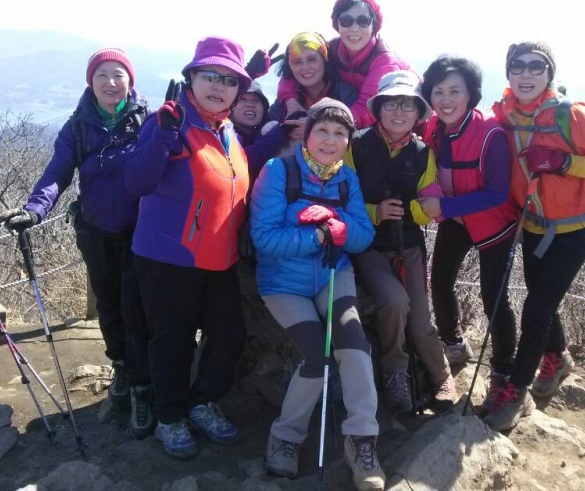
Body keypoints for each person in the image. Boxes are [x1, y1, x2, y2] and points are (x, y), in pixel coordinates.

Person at [0, 48, 154, 439]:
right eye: (102, 75)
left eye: (118, 74)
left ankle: (142, 387)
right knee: (109, 307)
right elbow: (57, 172)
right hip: (96, 233)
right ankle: (121, 367)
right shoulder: (78, 127)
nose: (111, 82)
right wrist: (34, 210)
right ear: (91, 82)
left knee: (136, 309)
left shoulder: (147, 120)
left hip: (140, 233)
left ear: (130, 81)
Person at [124, 36, 262, 459]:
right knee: (173, 340)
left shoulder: (225, 129)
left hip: (218, 258)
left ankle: (201, 402)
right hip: (168, 256)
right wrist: (162, 136)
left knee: (229, 333)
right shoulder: (170, 121)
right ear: (191, 78)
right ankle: (169, 416)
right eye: (210, 76)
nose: (219, 86)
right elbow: (137, 182)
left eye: (230, 80)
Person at [251, 99, 385, 491]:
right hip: (282, 283)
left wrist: (340, 227)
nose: (330, 140)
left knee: (353, 343)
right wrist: (319, 236)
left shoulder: (347, 179)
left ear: (348, 141)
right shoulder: (278, 171)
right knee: (317, 355)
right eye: (322, 130)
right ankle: (285, 437)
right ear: (307, 134)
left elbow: (362, 236)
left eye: (340, 133)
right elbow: (264, 238)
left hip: (332, 275)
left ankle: (362, 440)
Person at [486, 41, 585, 431]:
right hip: (533, 224)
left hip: (575, 226)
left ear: (549, 73)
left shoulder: (571, 114)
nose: (526, 74)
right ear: (508, 73)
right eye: (517, 66)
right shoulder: (505, 115)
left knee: (537, 307)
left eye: (536, 66)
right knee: (541, 297)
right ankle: (557, 357)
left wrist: (563, 162)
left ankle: (517, 390)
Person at [345, 70, 457, 414]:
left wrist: (418, 209)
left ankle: (441, 376)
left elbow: (427, 211)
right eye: (391, 103)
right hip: (367, 246)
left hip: (409, 245)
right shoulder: (356, 145)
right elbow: (340, 198)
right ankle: (396, 372)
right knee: (394, 302)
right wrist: (375, 212)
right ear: (378, 108)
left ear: (418, 112)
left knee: (421, 321)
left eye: (408, 105)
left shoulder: (423, 153)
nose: (399, 112)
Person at [418, 56, 519, 382]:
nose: (446, 100)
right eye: (438, 92)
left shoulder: (491, 133)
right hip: (457, 218)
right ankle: (453, 343)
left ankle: (503, 368)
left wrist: (444, 207)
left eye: (455, 91)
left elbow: (497, 193)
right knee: (440, 281)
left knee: (494, 298)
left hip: (494, 224)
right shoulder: (435, 128)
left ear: (470, 94)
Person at [274, 0, 410, 129]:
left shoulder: (385, 62)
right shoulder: (333, 49)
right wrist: (290, 100)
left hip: (407, 126)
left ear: (374, 25)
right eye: (346, 21)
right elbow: (292, 72)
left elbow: (367, 108)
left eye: (363, 21)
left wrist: (317, 124)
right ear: (337, 25)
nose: (354, 28)